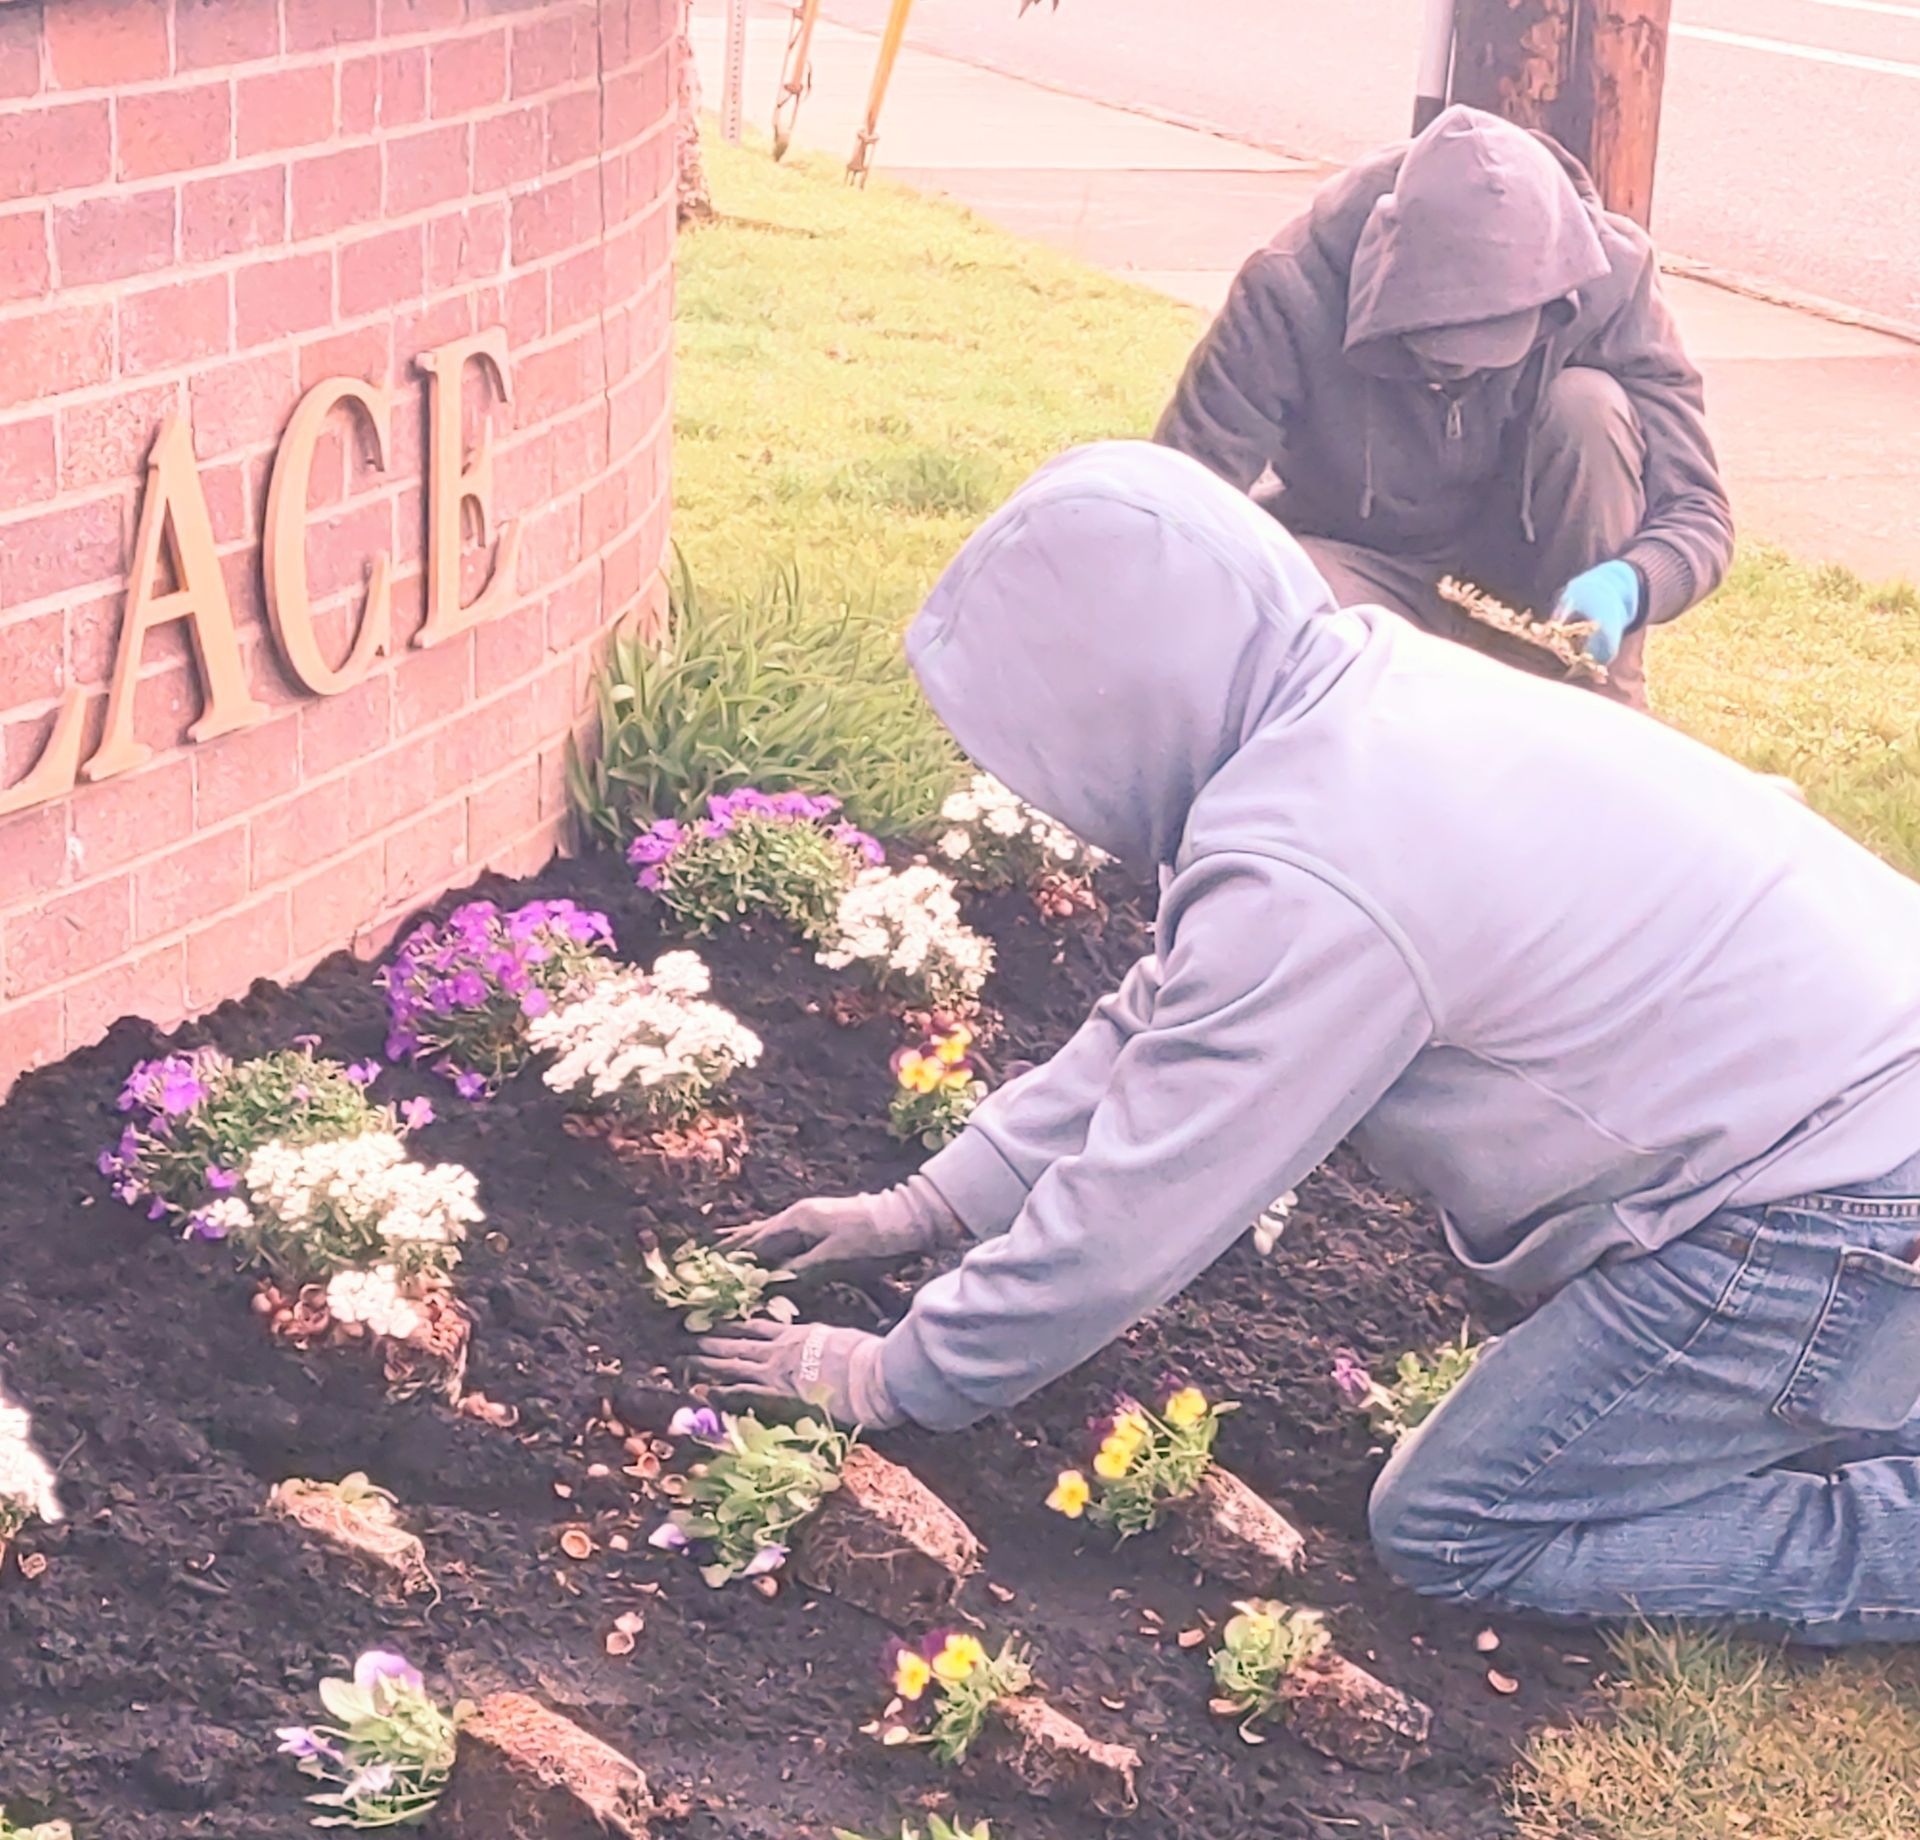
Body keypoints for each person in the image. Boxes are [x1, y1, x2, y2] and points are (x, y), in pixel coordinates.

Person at [700, 443, 1920, 1644]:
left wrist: (890, 1377)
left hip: (1830, 1207)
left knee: (1460, 1525)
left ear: (1109, 703)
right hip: (1860, 1124)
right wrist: (922, 1209)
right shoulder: (1348, 697)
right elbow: (1165, 1018)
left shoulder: (1320, 868)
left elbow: (1138, 1207)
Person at [1154, 104, 1733, 707]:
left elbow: (1697, 508)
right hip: (1359, 565)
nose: (1459, 369)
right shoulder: (1291, 286)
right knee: (1277, 600)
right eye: (1436, 346)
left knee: (1590, 408)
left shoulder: (1614, 280)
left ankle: (1595, 703)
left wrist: (1631, 583)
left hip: (1537, 585)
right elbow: (1180, 499)